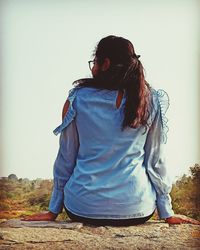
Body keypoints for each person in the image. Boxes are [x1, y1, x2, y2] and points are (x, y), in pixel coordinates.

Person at [23, 35, 199, 226]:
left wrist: (53, 210)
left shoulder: (77, 99)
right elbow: (155, 160)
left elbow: (66, 157)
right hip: (136, 208)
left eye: (94, 62)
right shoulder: (150, 100)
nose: (92, 68)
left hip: (83, 207)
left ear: (105, 63)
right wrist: (167, 212)